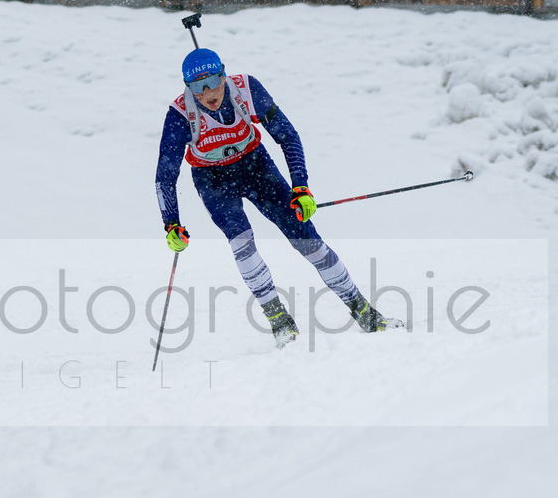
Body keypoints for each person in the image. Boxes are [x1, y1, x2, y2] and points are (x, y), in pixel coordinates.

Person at [155, 47, 403, 347]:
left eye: (213, 82)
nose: (208, 92)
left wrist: (301, 187)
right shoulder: (180, 113)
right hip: (213, 179)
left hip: (255, 165)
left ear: (224, 74)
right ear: (187, 86)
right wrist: (171, 224)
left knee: (307, 239)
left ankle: (364, 312)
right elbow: (165, 175)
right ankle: (280, 322)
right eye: (197, 86)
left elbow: (287, 135)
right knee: (241, 242)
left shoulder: (246, 88)